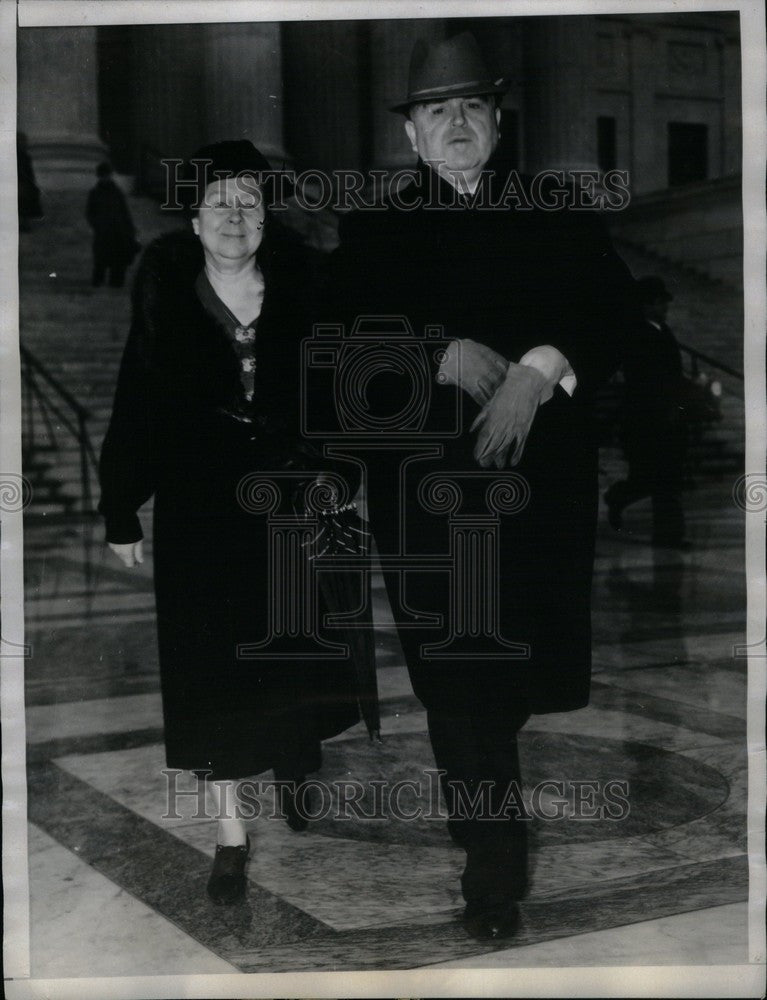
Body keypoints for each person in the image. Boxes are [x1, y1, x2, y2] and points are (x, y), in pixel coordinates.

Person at [325, 33, 641, 939]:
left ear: (496, 125)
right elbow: (339, 351)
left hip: (535, 503)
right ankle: (492, 876)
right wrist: (432, 350)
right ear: (414, 137)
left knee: (502, 686)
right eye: (437, 112)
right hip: (425, 508)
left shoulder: (557, 211)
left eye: (470, 108)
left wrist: (540, 367)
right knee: (458, 683)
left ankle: (482, 827)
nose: (455, 124)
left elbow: (619, 318)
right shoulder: (374, 229)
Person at [99, 140, 360, 905]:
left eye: (249, 202)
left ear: (266, 213)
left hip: (291, 511)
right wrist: (122, 508)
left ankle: (292, 759)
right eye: (220, 203)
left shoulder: (306, 292)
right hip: (201, 515)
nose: (235, 217)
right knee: (207, 673)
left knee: (295, 653)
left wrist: (340, 471)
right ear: (193, 216)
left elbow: (346, 396)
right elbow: (134, 410)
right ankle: (229, 834)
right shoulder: (164, 299)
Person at [604, 275, 688, 548]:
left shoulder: (662, 330)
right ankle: (621, 501)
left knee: (662, 481)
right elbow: (643, 383)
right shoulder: (639, 335)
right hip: (647, 422)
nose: (666, 307)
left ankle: (668, 535)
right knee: (654, 480)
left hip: (665, 420)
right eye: (660, 302)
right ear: (646, 305)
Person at [85, 161, 139, 287]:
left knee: (117, 257)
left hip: (118, 230)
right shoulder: (95, 193)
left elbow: (124, 212)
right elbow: (89, 213)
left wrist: (130, 228)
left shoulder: (116, 192)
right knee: (101, 258)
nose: (106, 178)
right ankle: (99, 280)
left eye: (107, 175)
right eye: (103, 176)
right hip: (103, 230)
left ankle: (115, 281)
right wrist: (97, 224)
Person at [17, 131, 43, 230]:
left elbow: (29, 172)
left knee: (25, 203)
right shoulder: (22, 156)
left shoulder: (25, 156)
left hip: (24, 184)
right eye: (23, 141)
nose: (25, 143)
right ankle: (23, 222)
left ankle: (24, 221)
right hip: (21, 184)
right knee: (23, 203)